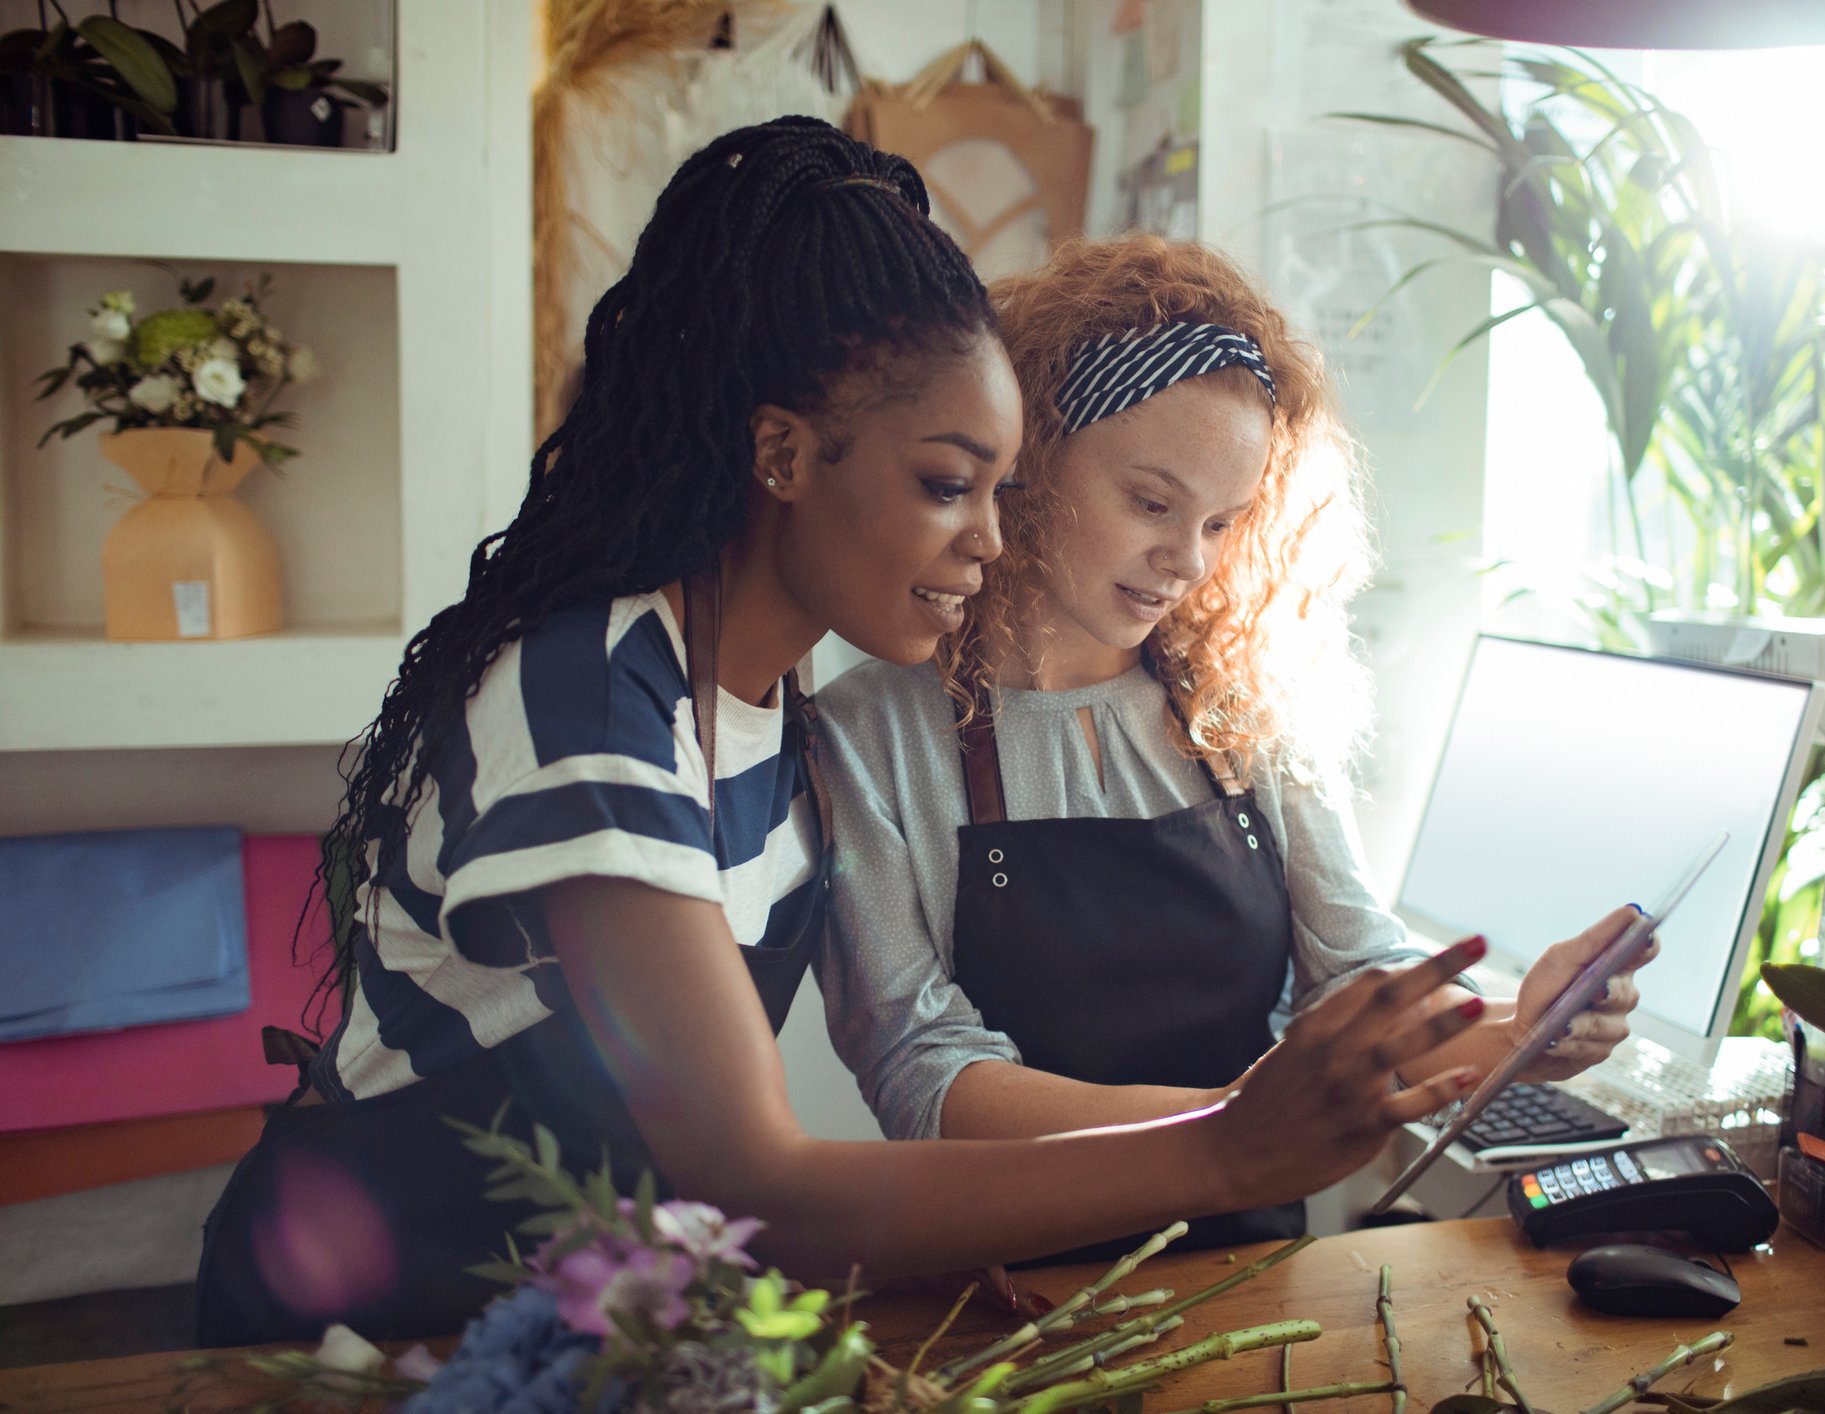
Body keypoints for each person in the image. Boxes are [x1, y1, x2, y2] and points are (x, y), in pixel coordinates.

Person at [195, 122, 1488, 1348]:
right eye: (945, 483)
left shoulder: (766, 711)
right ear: (782, 452)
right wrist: (1230, 1147)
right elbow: (768, 1185)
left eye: (997, 487)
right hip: (370, 1323)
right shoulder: (588, 701)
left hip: (591, 1321)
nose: (990, 537)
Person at [815, 235, 1655, 1260]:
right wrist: (1227, 1129)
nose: (1188, 559)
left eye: (1223, 521)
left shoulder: (1243, 705)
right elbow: (925, 1073)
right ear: (1029, 458)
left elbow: (1358, 980)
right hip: (1005, 1299)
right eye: (1152, 502)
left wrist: (1524, 1029)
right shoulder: (869, 729)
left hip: (1256, 1284)